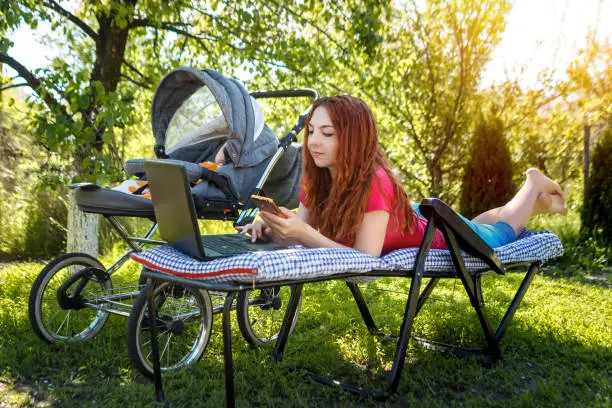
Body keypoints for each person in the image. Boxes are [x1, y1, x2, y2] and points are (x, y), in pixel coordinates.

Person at [238, 96, 566, 257]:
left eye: (327, 133)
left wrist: (302, 233)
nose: (313, 142)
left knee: (499, 233)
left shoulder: (374, 181)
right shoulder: (319, 178)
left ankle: (532, 183)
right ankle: (536, 206)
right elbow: (304, 228)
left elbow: (366, 261)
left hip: (441, 237)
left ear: (352, 138)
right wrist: (269, 228)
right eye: (311, 132)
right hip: (421, 217)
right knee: (480, 223)